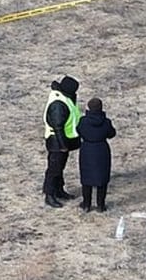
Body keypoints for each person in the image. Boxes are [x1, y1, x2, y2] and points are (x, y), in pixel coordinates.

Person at [42, 75, 81, 207]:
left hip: (61, 141)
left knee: (59, 168)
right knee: (54, 169)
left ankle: (59, 190)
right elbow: (57, 126)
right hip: (57, 142)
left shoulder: (63, 98)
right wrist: (63, 145)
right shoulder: (59, 104)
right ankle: (49, 194)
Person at [75, 98, 114, 213]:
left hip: (87, 150)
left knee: (86, 178)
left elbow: (78, 131)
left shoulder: (83, 121)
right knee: (102, 179)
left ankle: (86, 204)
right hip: (102, 150)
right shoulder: (106, 122)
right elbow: (112, 133)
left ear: (89, 108)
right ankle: (100, 205)